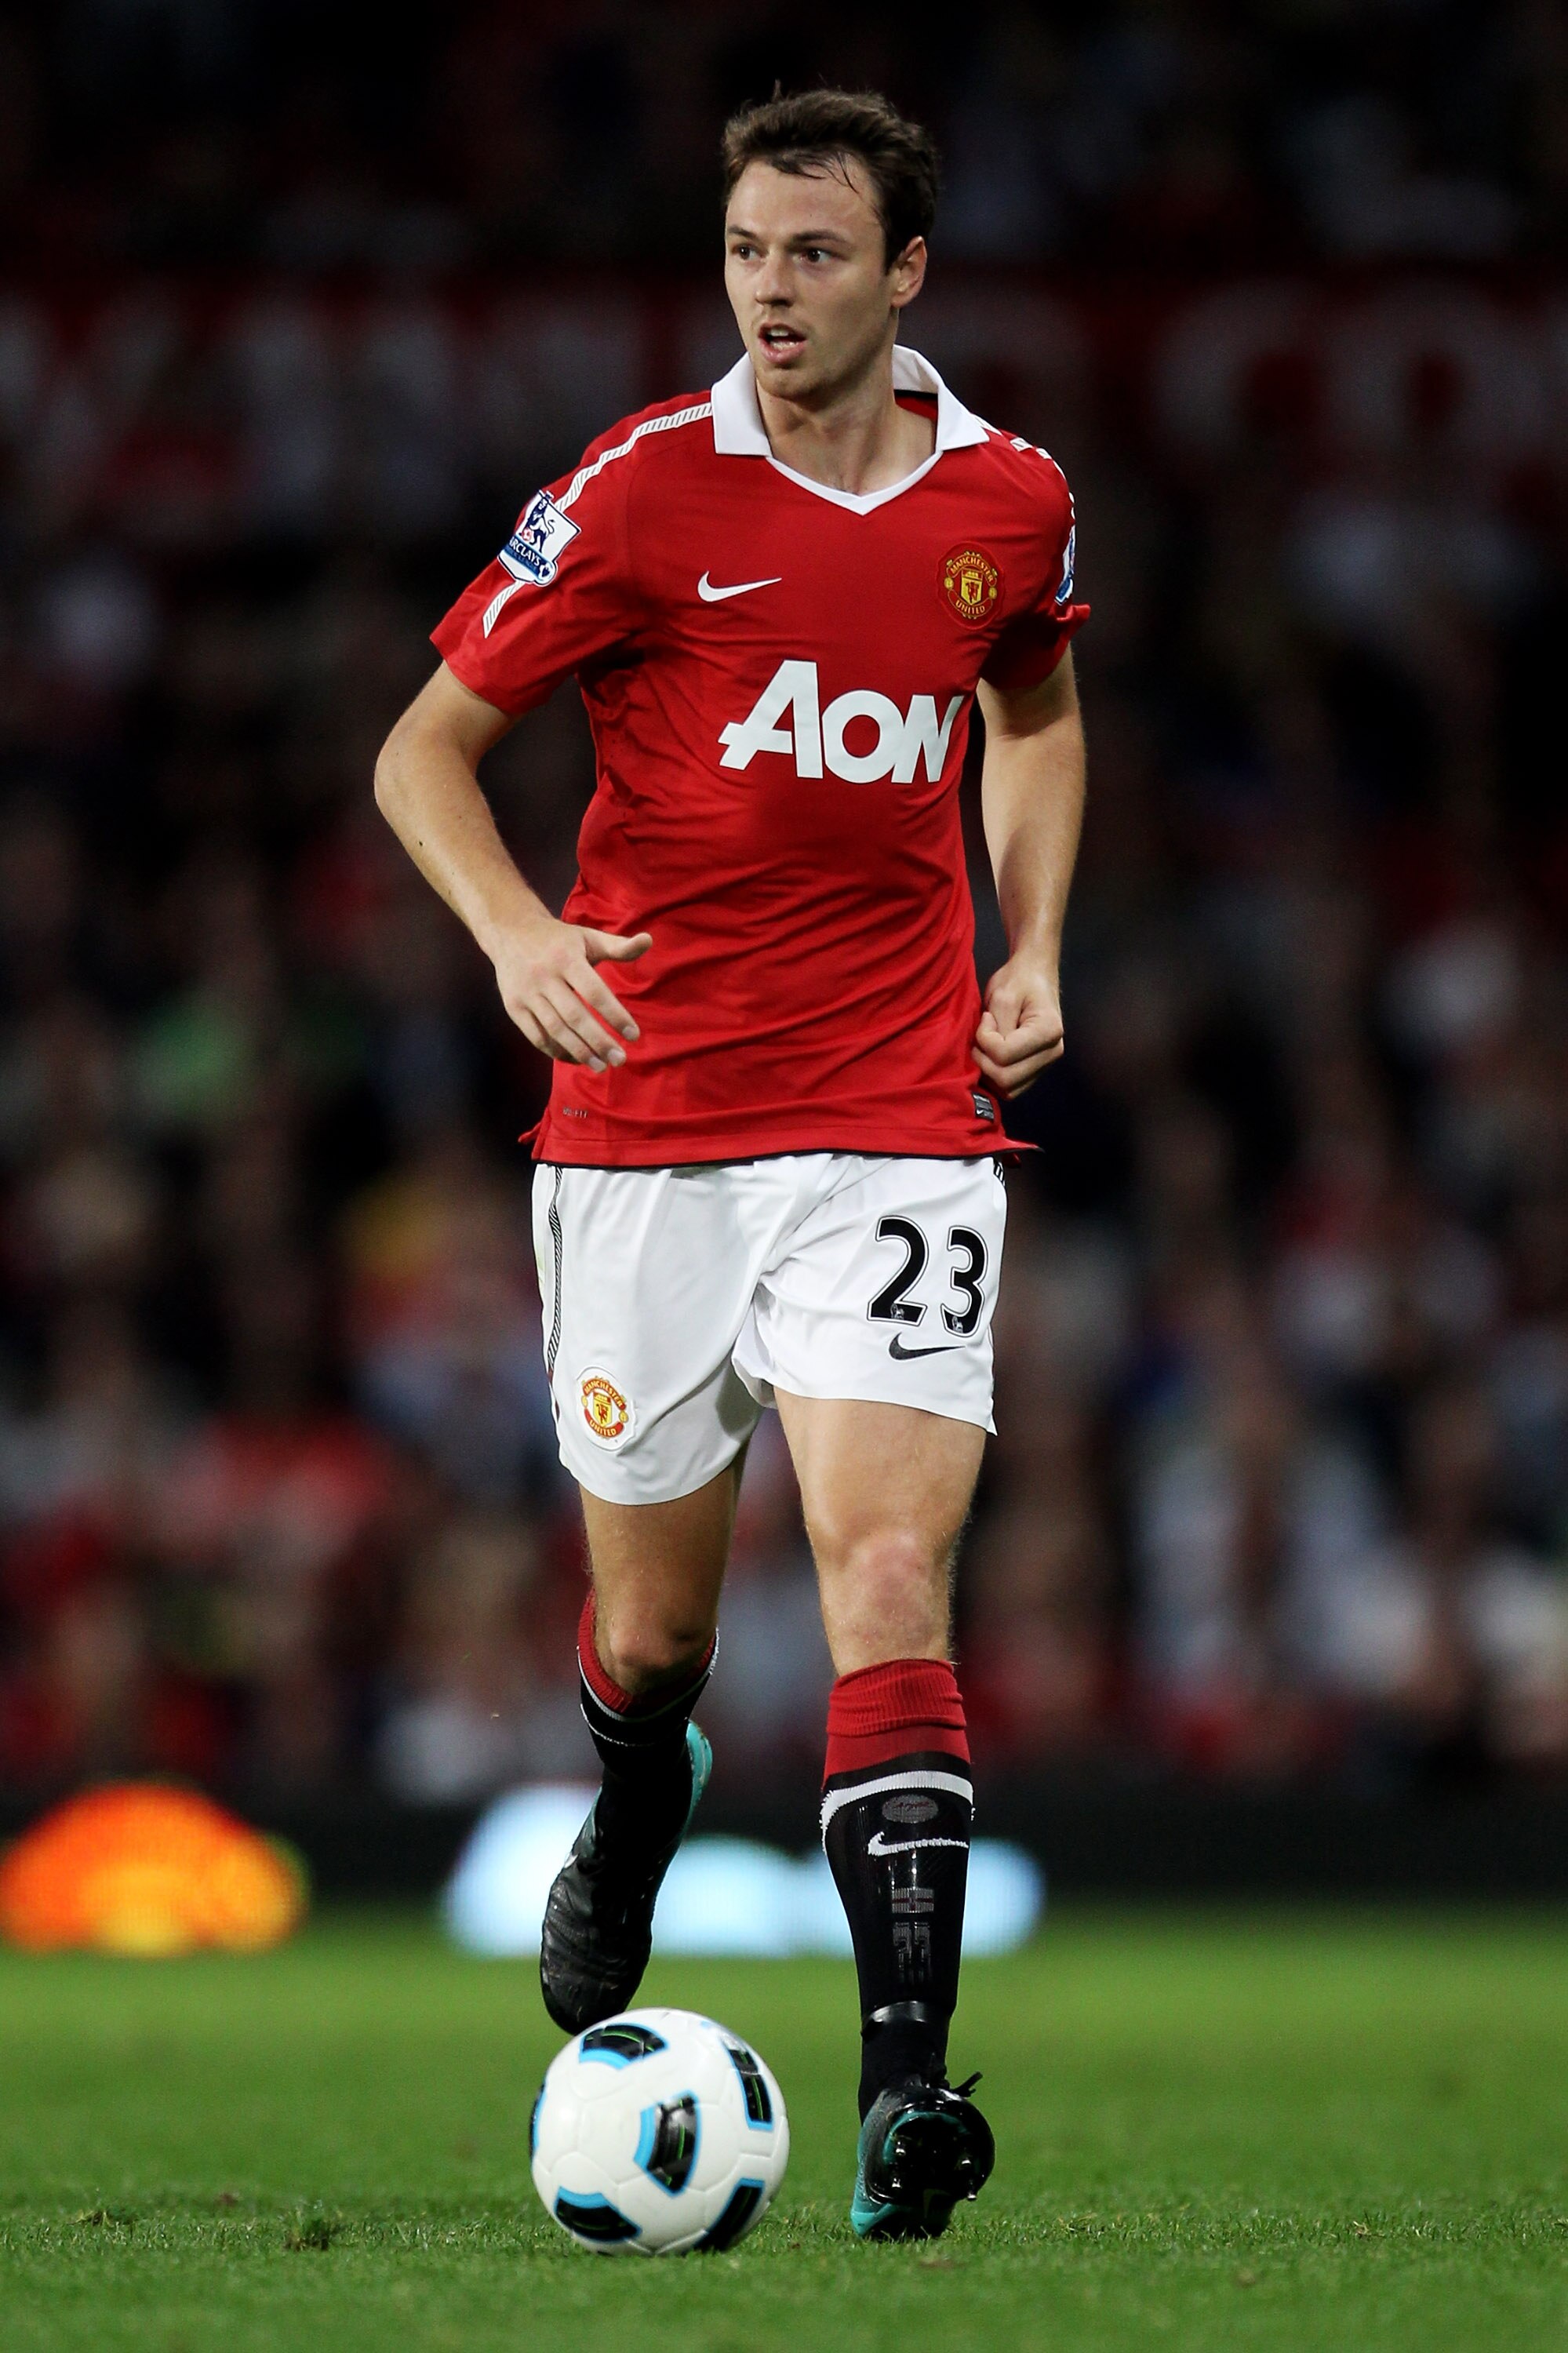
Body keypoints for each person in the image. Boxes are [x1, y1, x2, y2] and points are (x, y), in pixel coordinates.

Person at [375, 85, 1087, 2242]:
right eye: (748, 256)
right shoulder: (640, 492)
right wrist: (518, 938)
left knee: (883, 1576)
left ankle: (902, 2107)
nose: (771, 294)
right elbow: (423, 751)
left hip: (892, 1118)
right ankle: (624, 1823)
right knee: (656, 1644)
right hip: (645, 1134)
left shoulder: (1014, 502)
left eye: (812, 256)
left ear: (905, 276)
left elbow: (1033, 716)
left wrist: (1035, 940)